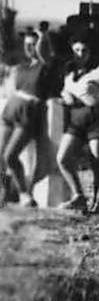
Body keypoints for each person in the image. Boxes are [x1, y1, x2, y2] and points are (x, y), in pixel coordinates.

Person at [58, 38, 99, 212]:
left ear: (90, 53)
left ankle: (97, 204)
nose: (80, 54)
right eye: (76, 50)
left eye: (84, 50)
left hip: (96, 118)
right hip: (76, 118)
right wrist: (65, 97)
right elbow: (65, 91)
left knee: (97, 162)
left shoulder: (98, 71)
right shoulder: (68, 72)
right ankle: (78, 197)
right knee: (63, 158)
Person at [1, 30, 47, 206]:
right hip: (10, 110)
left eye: (33, 44)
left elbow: (44, 56)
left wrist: (42, 38)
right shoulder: (20, 67)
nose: (30, 48)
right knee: (0, 156)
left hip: (28, 113)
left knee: (10, 155)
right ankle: (7, 192)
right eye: (27, 45)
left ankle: (24, 194)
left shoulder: (44, 66)